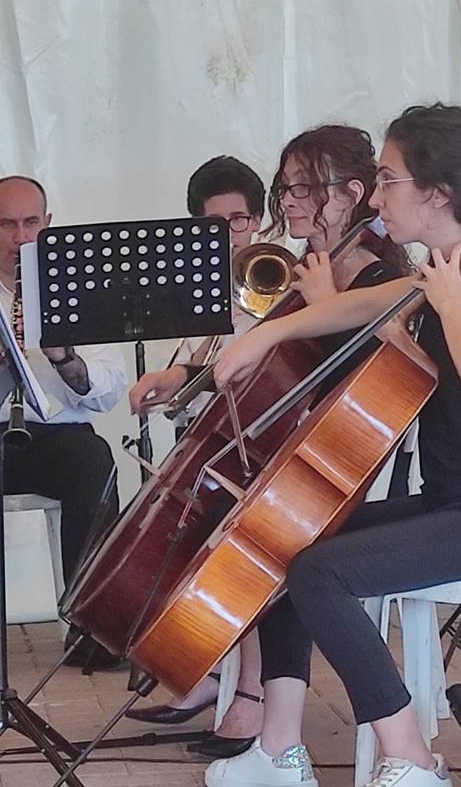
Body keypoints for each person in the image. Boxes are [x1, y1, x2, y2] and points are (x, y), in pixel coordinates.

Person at [202, 103, 461, 787]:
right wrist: (265, 333)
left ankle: (413, 757)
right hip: (454, 506)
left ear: (437, 193)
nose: (376, 197)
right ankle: (279, 753)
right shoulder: (451, 272)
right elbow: (362, 305)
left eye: (389, 180)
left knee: (321, 573)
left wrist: (450, 304)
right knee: (286, 540)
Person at [128, 129, 407, 760]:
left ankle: (256, 701)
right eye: (285, 188)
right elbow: (260, 361)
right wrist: (183, 377)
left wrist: (326, 305)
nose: (289, 202)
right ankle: (212, 676)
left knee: (259, 536)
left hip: (338, 467)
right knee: (220, 514)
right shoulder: (312, 265)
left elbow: (382, 373)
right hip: (295, 457)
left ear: (350, 194)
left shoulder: (378, 274)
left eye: (303, 188)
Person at [127, 155, 267, 753]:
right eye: (214, 225)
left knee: (228, 538)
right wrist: (170, 378)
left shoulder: (273, 283)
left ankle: (250, 692)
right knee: (177, 530)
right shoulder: (203, 296)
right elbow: (200, 370)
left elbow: (254, 373)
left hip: (260, 450)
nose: (230, 235)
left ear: (258, 221)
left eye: (239, 221)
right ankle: (204, 672)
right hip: (218, 448)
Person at [0, 175, 127, 668]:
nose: (20, 237)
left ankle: (91, 626)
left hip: (60, 439)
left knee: (94, 461)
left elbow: (109, 389)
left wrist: (64, 358)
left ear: (49, 224)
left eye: (30, 223)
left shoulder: (79, 289)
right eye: (6, 225)